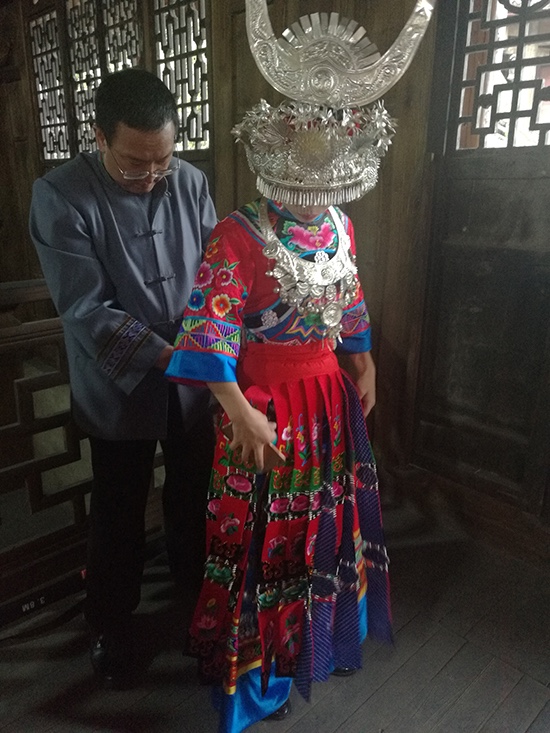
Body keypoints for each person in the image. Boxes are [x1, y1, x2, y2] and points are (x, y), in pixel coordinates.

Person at [165, 2, 435, 730]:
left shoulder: (340, 225)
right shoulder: (236, 235)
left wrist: (364, 360)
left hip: (329, 404)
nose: (316, 202)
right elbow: (208, 330)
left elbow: (350, 298)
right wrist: (240, 413)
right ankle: (255, 680)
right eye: (304, 184)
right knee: (260, 540)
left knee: (323, 526)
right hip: (263, 406)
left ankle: (315, 645)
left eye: (329, 188)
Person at [29, 68, 218, 687]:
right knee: (118, 507)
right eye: (136, 164)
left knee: (193, 494)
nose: (153, 175)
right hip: (119, 381)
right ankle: (110, 624)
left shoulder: (190, 182)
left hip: (193, 378)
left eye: (163, 159)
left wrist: (215, 343)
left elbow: (214, 274)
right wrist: (172, 356)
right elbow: (85, 308)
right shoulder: (60, 195)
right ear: (100, 138)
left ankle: (197, 602)